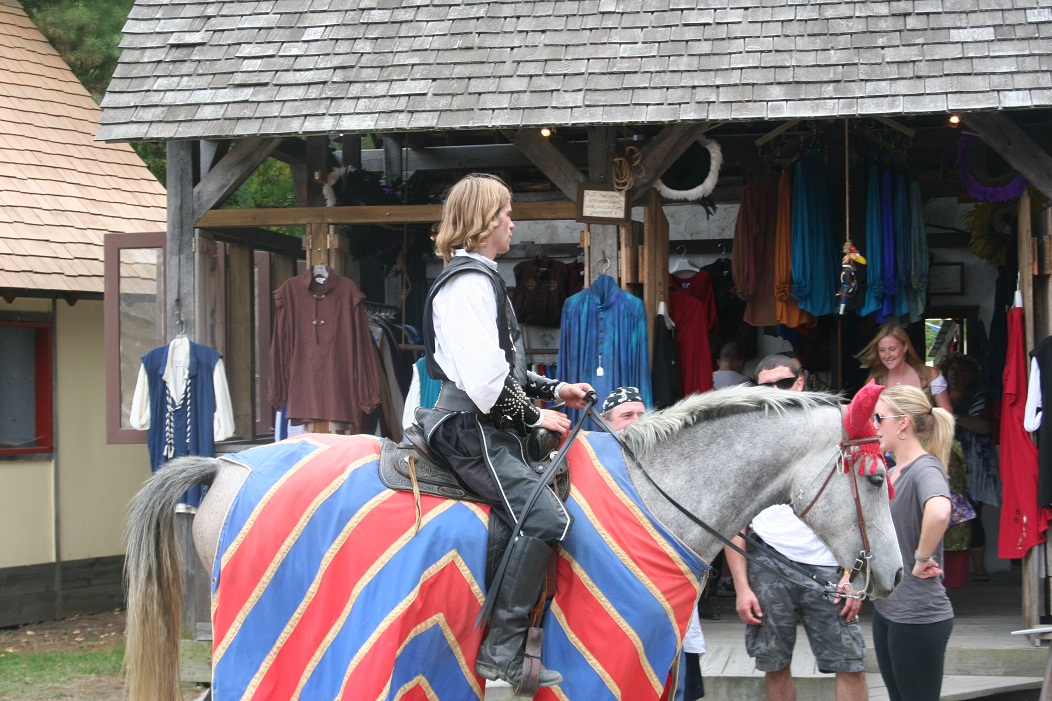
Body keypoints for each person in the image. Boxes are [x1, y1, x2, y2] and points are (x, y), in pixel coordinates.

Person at [416, 173, 594, 691]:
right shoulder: (469, 284)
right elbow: (483, 383)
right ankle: (502, 652)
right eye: (507, 213)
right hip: (471, 429)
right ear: (484, 220)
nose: (513, 223)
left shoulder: (482, 278)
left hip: (485, 421)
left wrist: (556, 388)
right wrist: (537, 417)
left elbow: (504, 368)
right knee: (545, 518)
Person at [724, 354, 867, 701]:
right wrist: (741, 587)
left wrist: (855, 575)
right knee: (774, 663)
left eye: (784, 383)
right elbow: (733, 521)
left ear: (800, 383)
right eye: (767, 386)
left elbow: (862, 507)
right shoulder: (746, 442)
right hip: (769, 560)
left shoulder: (833, 430)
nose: (776, 391)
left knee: (850, 662)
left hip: (830, 564)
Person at [601, 386, 705, 700]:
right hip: (616, 599)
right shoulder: (595, 468)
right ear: (606, 422)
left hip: (670, 595)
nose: (636, 422)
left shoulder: (674, 468)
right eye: (626, 416)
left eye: (641, 414)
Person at [871, 384, 955, 701]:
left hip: (918, 615)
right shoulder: (894, 472)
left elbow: (940, 511)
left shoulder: (925, 467)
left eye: (879, 418)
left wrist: (921, 558)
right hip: (888, 610)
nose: (874, 426)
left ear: (903, 422)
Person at [940, 353, 999, 581]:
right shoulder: (938, 396)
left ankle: (978, 567)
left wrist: (949, 416)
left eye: (961, 370)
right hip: (942, 462)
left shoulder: (978, 398)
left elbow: (983, 426)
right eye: (952, 369)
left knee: (972, 514)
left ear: (971, 375)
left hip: (973, 465)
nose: (955, 374)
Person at [856, 321, 953, 412]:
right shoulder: (874, 382)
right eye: (882, 350)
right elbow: (868, 419)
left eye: (892, 349)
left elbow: (947, 415)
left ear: (905, 347)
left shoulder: (930, 375)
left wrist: (929, 419)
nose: (887, 355)